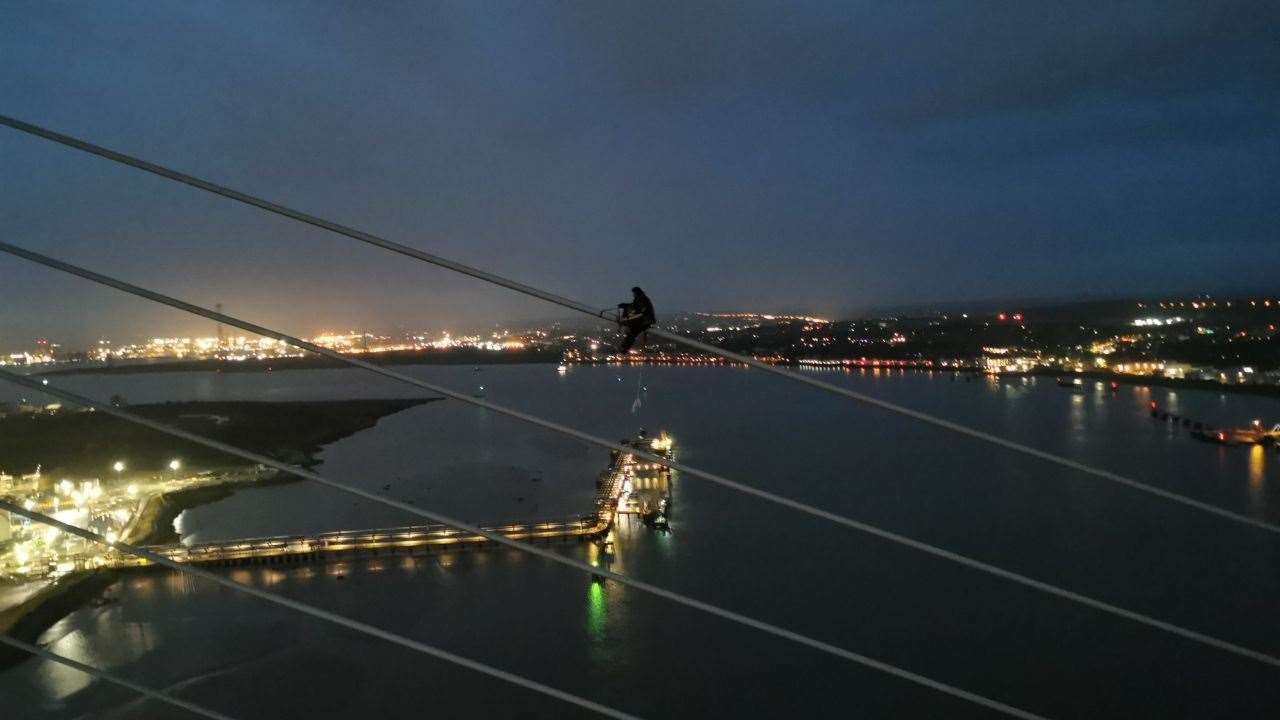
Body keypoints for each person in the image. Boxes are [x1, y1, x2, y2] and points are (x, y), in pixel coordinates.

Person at [616, 286, 656, 352]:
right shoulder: (640, 299)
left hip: (645, 321)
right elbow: (634, 307)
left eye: (634, 293)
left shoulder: (642, 300)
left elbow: (639, 311)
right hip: (643, 320)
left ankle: (624, 348)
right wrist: (625, 306)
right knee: (632, 332)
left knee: (632, 332)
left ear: (637, 293)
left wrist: (628, 319)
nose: (633, 295)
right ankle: (624, 347)